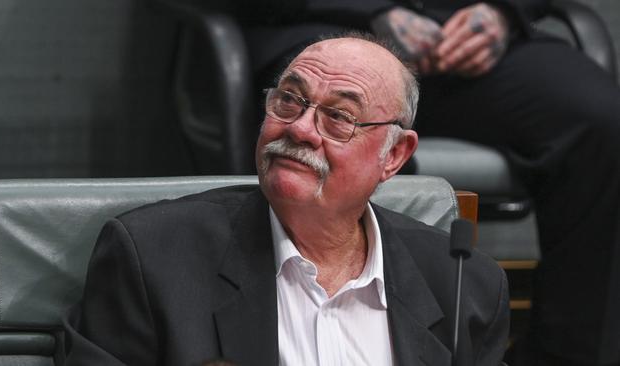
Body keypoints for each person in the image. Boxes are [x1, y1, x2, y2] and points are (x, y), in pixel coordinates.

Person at [165, 0, 620, 364]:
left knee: (603, 123)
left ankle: (565, 354)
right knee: (348, 142)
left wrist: (501, 12)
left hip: (464, 43)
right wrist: (367, 11)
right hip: (320, 27)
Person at [63, 35, 509, 365]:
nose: (299, 128)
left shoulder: (464, 285)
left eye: (339, 117)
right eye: (290, 100)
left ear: (393, 155)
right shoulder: (153, 257)